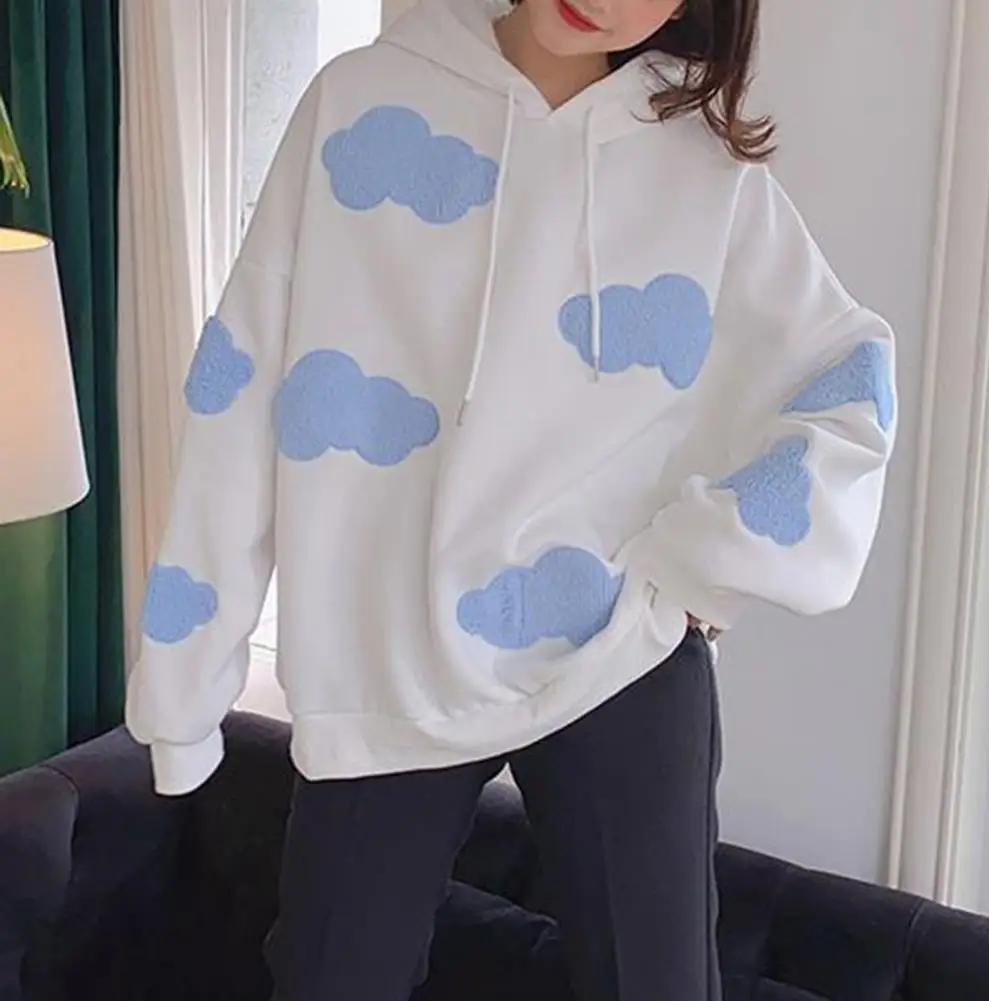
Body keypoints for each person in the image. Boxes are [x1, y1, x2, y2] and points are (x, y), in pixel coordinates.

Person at [125, 0, 897, 998]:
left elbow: (844, 382)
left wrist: (701, 561)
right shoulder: (358, 103)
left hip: (616, 648)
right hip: (384, 650)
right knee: (329, 972)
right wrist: (185, 688)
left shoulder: (702, 166)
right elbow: (239, 384)